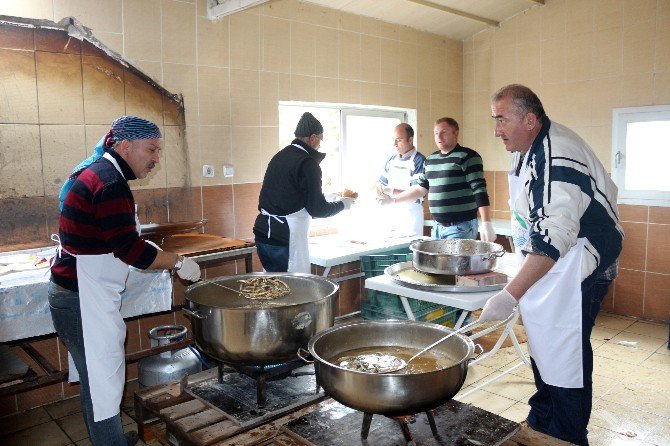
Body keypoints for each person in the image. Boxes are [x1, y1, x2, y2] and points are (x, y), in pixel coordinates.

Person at [478, 84, 623, 446]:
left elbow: (553, 237)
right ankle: (542, 419)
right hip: (556, 258)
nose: (496, 130)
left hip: (584, 257)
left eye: (501, 120)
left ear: (530, 119)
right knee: (544, 340)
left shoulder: (557, 155)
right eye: (494, 119)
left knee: (565, 344)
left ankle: (566, 434)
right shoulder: (524, 147)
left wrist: (508, 296)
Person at [49, 116, 202, 446]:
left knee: (99, 376)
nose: (156, 158)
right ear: (125, 146)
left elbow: (116, 238)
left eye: (158, 151)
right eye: (152, 149)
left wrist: (154, 250)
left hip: (81, 293)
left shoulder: (102, 173)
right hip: (80, 298)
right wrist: (178, 261)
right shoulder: (109, 183)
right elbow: (130, 251)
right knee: (101, 378)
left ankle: (112, 439)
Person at [253, 112, 354, 273]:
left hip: (264, 234)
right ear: (312, 138)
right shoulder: (308, 163)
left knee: (272, 287)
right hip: (287, 236)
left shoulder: (280, 156)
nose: (320, 144)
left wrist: (328, 197)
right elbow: (317, 210)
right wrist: (343, 204)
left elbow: (290, 195)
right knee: (294, 289)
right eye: (320, 139)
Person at [382, 117, 496, 242]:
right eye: (436, 133)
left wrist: (486, 222)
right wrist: (393, 200)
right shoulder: (431, 159)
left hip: (461, 227)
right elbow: (420, 189)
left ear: (455, 133)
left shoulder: (468, 156)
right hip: (437, 227)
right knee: (437, 262)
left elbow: (479, 189)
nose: (439, 137)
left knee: (456, 262)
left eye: (444, 132)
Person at [377, 123, 426, 236]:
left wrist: (392, 192)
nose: (394, 144)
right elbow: (381, 184)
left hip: (411, 215)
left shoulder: (419, 161)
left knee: (409, 249)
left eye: (398, 140)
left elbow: (418, 193)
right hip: (392, 213)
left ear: (410, 140)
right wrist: (379, 190)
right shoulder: (391, 160)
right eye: (393, 140)